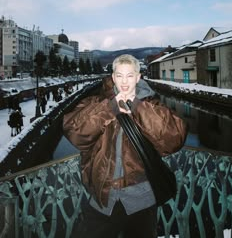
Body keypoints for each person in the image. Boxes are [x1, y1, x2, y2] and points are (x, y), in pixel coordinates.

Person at [63, 54, 187, 238]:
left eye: (130, 75)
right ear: (113, 77)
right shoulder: (96, 102)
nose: (124, 81)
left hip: (142, 199)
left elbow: (174, 138)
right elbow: (75, 132)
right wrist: (109, 108)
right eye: (119, 75)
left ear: (138, 77)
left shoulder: (151, 105)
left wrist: (138, 107)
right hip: (103, 197)